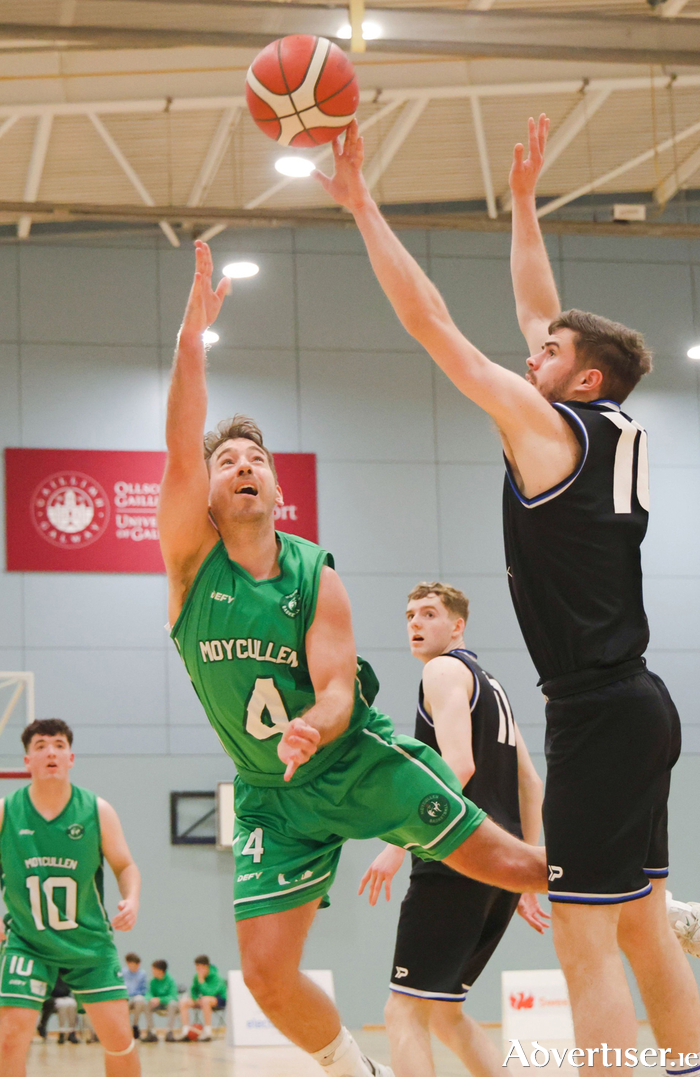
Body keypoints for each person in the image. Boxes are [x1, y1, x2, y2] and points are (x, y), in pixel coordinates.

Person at [316, 117, 700, 1068]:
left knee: (585, 941)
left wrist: (363, 203)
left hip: (598, 710)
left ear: (585, 375)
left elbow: (432, 323)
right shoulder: (601, 424)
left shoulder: (548, 429)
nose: (534, 352)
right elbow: (542, 311)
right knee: (646, 922)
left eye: (551, 352)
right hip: (638, 703)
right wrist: (523, 203)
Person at [158, 241, 547, 1077]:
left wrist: (312, 725)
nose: (244, 465)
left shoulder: (314, 573)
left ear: (275, 487)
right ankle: (352, 1068)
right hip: (269, 795)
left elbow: (337, 688)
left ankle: (656, 905)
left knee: (515, 865)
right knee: (264, 969)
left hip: (350, 757)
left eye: (257, 458)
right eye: (227, 461)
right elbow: (180, 429)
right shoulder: (192, 564)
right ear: (209, 497)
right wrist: (191, 339)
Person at [359, 582, 548, 1077]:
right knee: (444, 1012)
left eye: (428, 614)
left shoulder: (443, 670)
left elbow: (457, 768)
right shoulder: (492, 684)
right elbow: (531, 782)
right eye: (409, 616)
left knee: (401, 1011)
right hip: (499, 869)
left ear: (457, 625)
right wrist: (525, 868)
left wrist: (397, 842)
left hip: (457, 857)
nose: (415, 624)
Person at [0, 718, 142, 1077]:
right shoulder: (5, 811)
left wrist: (132, 898)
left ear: (71, 758)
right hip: (28, 942)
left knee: (119, 1041)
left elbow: (126, 866)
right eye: (41, 746)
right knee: (8, 1039)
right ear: (27, 761)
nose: (51, 752)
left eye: (59, 745)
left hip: (89, 945)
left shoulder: (97, 811)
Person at [177, 955, 226, 1042]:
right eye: (196, 967)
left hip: (218, 999)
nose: (198, 969)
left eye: (200, 967)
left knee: (205, 1000)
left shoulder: (216, 977)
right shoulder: (196, 976)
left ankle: (207, 1031)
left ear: (206, 966)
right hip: (203, 1000)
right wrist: (195, 998)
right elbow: (193, 990)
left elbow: (211, 993)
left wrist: (202, 981)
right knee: (183, 1002)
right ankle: (186, 1031)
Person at [36, 975, 78, 1044]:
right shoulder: (52, 976)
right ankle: (62, 1032)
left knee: (72, 1004)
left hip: (65, 997)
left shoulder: (65, 976)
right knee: (62, 1006)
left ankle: (72, 1031)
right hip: (54, 998)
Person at [145, 959, 179, 1042]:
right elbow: (148, 994)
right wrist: (152, 999)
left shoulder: (170, 980)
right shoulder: (153, 981)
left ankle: (169, 1031)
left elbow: (173, 996)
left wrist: (160, 999)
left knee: (173, 1004)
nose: (152, 971)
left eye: (154, 969)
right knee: (146, 1004)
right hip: (157, 1004)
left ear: (160, 971)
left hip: (166, 1004)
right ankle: (151, 1031)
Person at [121, 953, 147, 1041]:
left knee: (140, 999)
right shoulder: (122, 973)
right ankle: (123, 1029)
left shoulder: (142, 974)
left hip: (136, 997)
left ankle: (135, 1025)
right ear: (128, 964)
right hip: (125, 998)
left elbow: (144, 990)